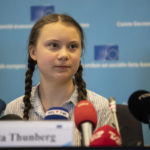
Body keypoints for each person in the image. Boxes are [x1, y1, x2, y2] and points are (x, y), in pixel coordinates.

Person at [4, 13, 115, 146]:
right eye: (53, 45)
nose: (64, 55)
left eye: (73, 46)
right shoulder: (14, 110)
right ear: (33, 52)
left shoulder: (100, 108)